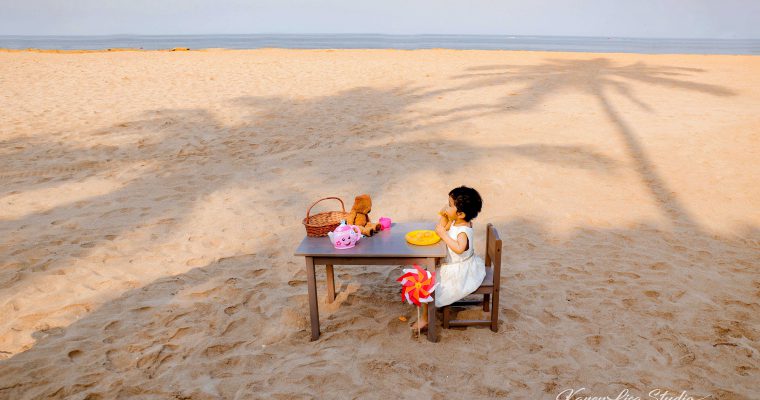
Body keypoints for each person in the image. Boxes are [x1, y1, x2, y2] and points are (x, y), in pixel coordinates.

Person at [411, 186, 485, 332]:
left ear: (461, 214)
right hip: (454, 264)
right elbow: (440, 227)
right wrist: (445, 215)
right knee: (426, 276)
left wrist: (444, 235)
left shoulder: (463, 231)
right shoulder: (457, 221)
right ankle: (425, 310)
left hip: (460, 272)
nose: (447, 206)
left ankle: (425, 319)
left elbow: (459, 248)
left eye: (450, 205)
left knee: (427, 284)